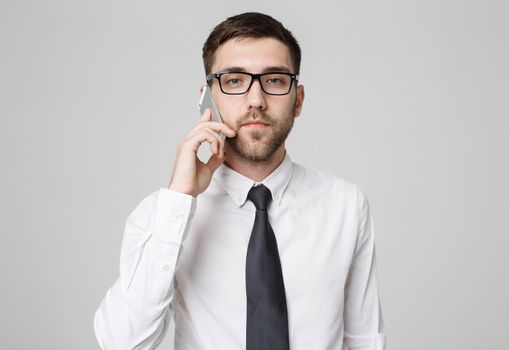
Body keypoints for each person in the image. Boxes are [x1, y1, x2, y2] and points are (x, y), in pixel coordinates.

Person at [94, 12, 386, 350]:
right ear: (206, 97)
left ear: (299, 99)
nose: (256, 100)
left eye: (274, 80)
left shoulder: (345, 205)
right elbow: (121, 343)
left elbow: (365, 339)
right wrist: (180, 198)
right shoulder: (164, 214)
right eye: (234, 80)